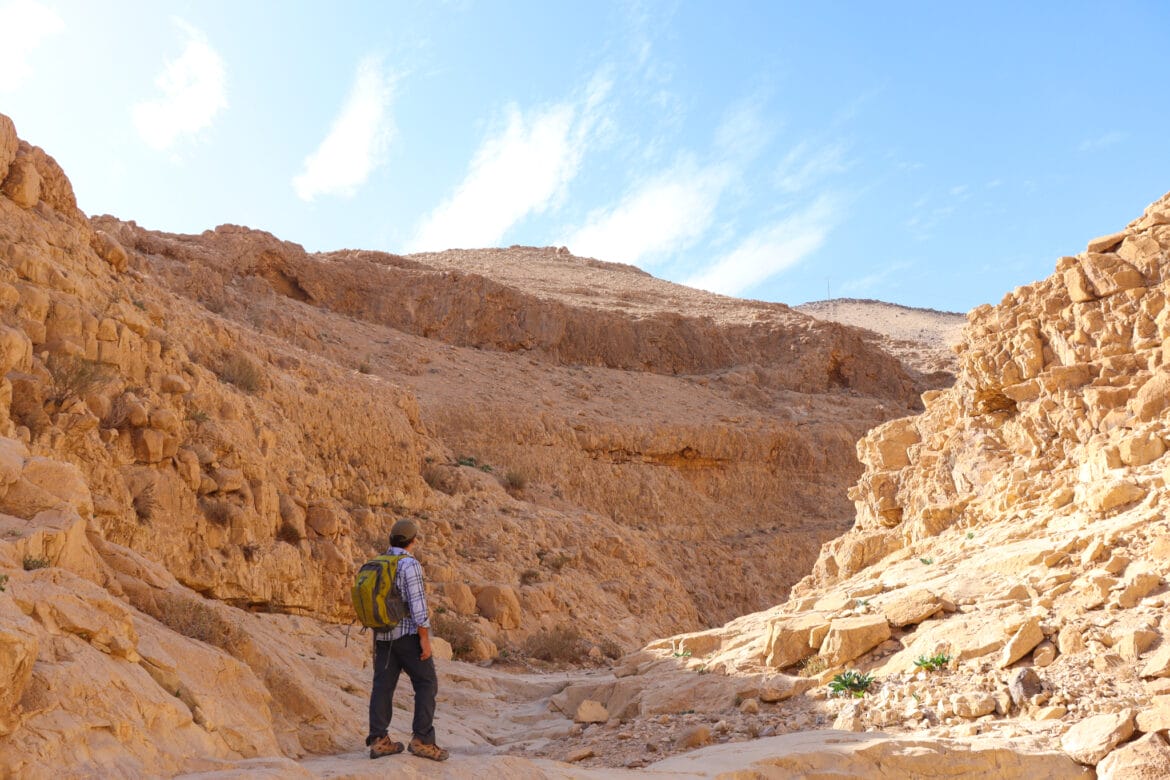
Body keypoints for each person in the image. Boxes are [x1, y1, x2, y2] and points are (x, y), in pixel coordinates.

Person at [365, 518, 449, 761]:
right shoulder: (408, 564)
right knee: (426, 683)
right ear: (413, 541)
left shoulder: (379, 561)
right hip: (407, 636)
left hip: (382, 636)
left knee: (382, 686)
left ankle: (379, 740)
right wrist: (425, 639)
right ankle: (422, 740)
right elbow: (418, 607)